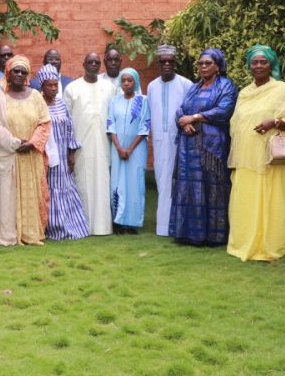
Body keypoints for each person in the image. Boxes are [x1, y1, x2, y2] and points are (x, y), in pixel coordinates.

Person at [227, 45, 285, 262]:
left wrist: (276, 122)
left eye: (263, 61)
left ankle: (278, 242)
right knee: (248, 199)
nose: (259, 65)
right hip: (248, 159)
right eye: (255, 62)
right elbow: (235, 124)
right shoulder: (244, 93)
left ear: (271, 64)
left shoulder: (282, 90)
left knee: (275, 199)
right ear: (249, 66)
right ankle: (247, 240)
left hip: (275, 159)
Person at [169, 48, 237, 245]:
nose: (203, 67)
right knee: (189, 186)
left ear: (218, 66)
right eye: (201, 63)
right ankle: (189, 233)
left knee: (212, 189)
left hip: (212, 148)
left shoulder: (226, 86)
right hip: (188, 148)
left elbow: (224, 110)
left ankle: (212, 236)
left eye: (208, 63)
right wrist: (185, 121)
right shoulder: (195, 87)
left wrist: (196, 117)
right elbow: (181, 109)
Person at [0, 55, 51, 245]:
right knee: (7, 195)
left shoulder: (36, 96)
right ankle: (9, 234)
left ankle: (30, 233)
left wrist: (31, 143)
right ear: (8, 72)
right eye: (16, 71)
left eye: (23, 71)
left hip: (31, 155)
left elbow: (45, 123)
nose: (19, 74)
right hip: (8, 155)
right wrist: (15, 143)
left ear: (28, 75)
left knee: (33, 194)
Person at [63, 52, 117, 235]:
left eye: (97, 62)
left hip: (104, 146)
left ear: (100, 65)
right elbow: (66, 122)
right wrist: (69, 149)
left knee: (103, 183)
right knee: (83, 183)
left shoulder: (110, 88)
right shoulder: (72, 88)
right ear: (83, 64)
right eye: (90, 62)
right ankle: (82, 225)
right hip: (80, 148)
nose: (93, 64)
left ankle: (103, 226)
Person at [38, 64, 88, 240]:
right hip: (46, 157)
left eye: (55, 85)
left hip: (63, 156)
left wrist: (71, 154)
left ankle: (69, 225)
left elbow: (69, 129)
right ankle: (52, 227)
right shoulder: (37, 104)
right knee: (50, 190)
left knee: (65, 188)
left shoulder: (61, 103)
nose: (53, 88)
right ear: (42, 85)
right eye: (49, 85)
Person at [146, 45, 193, 236]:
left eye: (170, 61)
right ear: (158, 63)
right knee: (162, 181)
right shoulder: (152, 86)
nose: (166, 64)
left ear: (175, 63)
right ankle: (164, 227)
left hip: (181, 142)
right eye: (163, 61)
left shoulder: (186, 85)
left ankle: (180, 223)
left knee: (179, 181)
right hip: (158, 141)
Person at [107, 68, 150, 234]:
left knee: (135, 183)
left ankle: (132, 223)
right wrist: (119, 148)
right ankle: (118, 222)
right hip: (117, 149)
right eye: (123, 80)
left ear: (136, 82)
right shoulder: (114, 101)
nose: (126, 83)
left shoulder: (143, 101)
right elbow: (110, 125)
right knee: (117, 183)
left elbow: (144, 126)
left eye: (129, 80)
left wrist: (130, 149)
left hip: (137, 150)